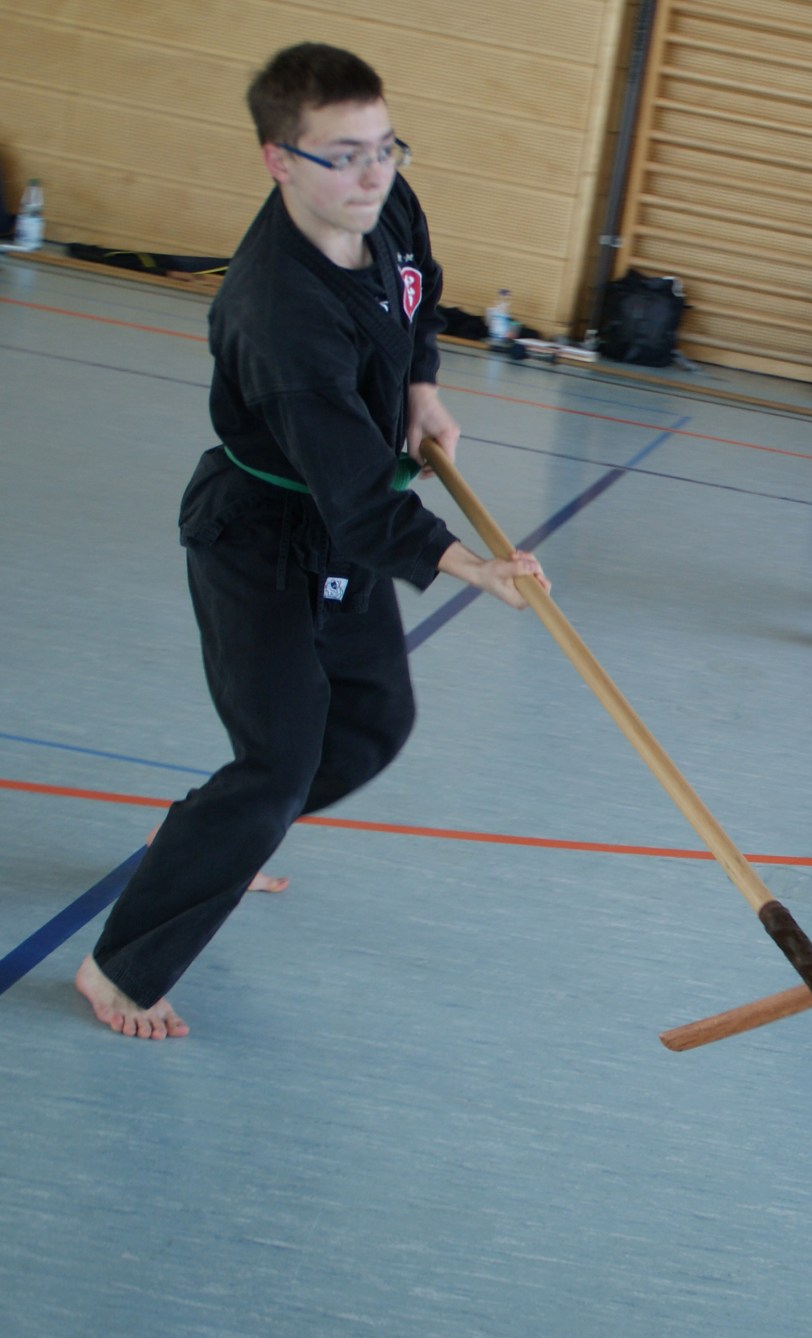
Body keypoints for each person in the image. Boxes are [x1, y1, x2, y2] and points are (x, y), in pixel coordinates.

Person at [74, 42, 547, 1040]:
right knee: (277, 765)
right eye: (345, 155)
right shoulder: (278, 312)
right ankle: (119, 967)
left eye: (385, 146)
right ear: (278, 160)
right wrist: (475, 569)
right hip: (261, 539)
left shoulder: (381, 203)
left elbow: (419, 285)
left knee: (372, 723)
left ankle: (215, 838)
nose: (374, 175)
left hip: (341, 527)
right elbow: (359, 500)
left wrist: (420, 385)